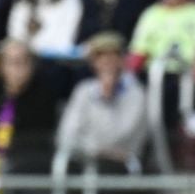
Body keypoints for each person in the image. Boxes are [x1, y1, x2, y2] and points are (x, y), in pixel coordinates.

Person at [58, 31, 148, 172]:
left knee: (105, 168)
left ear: (122, 60)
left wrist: (107, 99)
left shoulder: (136, 93)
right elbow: (67, 135)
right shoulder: (83, 90)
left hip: (121, 165)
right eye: (100, 56)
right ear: (93, 63)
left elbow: (121, 138)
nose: (106, 61)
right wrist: (93, 150)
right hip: (85, 159)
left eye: (112, 55)